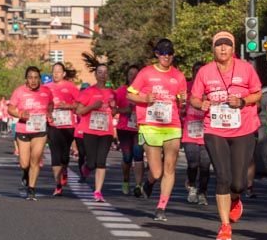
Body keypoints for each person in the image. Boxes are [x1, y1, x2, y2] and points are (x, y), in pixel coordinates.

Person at [189, 30, 262, 240]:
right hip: (215, 128)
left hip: (243, 128)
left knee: (238, 183)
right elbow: (193, 97)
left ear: (233, 48)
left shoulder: (246, 69)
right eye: (219, 45)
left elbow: (257, 93)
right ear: (213, 49)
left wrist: (242, 101)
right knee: (223, 176)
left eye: (227, 44)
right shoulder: (205, 72)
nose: (223, 48)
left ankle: (236, 199)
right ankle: (224, 226)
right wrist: (200, 103)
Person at [127, 39, 188, 221]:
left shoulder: (178, 76)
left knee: (169, 167)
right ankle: (150, 181)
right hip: (150, 126)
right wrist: (145, 98)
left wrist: (182, 101)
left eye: (169, 53)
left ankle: (161, 207)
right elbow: (130, 95)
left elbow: (181, 105)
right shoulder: (146, 73)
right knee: (156, 172)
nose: (166, 56)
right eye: (162, 53)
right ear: (156, 54)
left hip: (172, 126)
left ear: (173, 55)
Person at [7, 66, 53, 201]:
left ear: (40, 78)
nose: (33, 80)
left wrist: (49, 112)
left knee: (36, 159)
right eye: (30, 77)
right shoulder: (19, 91)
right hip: (23, 129)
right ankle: (25, 173)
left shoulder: (46, 91)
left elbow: (50, 104)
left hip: (40, 129)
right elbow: (10, 108)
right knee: (24, 164)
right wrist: (20, 113)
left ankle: (31, 189)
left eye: (36, 77)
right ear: (26, 79)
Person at [75, 55, 116, 203]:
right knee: (91, 162)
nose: (103, 75)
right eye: (100, 72)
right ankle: (86, 169)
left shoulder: (112, 92)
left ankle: (98, 191)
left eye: (105, 72)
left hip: (106, 131)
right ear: (95, 74)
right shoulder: (88, 92)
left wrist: (114, 107)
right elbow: (79, 111)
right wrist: (92, 106)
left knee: (101, 162)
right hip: (90, 131)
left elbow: (115, 112)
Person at [44, 61, 81, 197]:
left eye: (59, 71)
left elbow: (79, 104)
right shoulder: (46, 87)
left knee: (64, 156)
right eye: (54, 71)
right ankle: (58, 185)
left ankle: (64, 170)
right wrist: (48, 112)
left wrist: (68, 106)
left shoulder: (70, 87)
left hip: (68, 125)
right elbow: (43, 103)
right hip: (53, 124)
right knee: (55, 155)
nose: (56, 74)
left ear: (64, 73)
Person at [183, 62, 213, 207]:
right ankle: (192, 186)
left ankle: (202, 192)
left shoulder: (210, 87)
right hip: (190, 130)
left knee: (206, 164)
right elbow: (180, 105)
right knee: (193, 162)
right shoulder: (187, 87)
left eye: (201, 70)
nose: (198, 73)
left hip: (207, 129)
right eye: (196, 70)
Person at [114, 65, 146, 196]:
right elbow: (113, 109)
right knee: (127, 157)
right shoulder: (121, 91)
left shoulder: (144, 91)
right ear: (127, 76)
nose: (133, 76)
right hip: (124, 128)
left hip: (140, 128)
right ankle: (126, 180)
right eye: (130, 74)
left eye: (135, 74)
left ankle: (138, 185)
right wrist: (124, 110)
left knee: (138, 155)